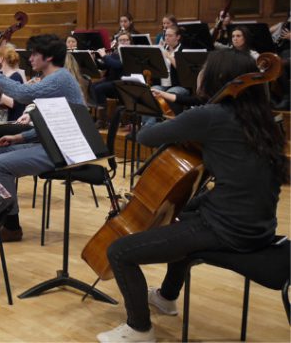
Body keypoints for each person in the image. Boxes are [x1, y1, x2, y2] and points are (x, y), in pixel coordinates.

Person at [97, 49, 287, 343]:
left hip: (227, 229)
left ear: (217, 77)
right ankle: (166, 297)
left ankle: (139, 329)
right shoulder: (264, 119)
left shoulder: (211, 115)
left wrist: (154, 119)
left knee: (120, 251)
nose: (199, 74)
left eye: (204, 69)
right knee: (182, 217)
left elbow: (147, 137)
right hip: (260, 227)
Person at [0, 33, 86, 242]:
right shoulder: (56, 78)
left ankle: (11, 226)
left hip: (66, 150)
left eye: (34, 54)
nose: (30, 58)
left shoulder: (59, 77)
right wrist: (20, 138)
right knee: (1, 149)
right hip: (55, 143)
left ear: (49, 57)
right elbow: (51, 126)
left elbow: (22, 94)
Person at [0, 43, 26, 124]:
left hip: (12, 120)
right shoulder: (2, 75)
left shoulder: (16, 76)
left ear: (2, 58)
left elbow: (13, 103)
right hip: (2, 118)